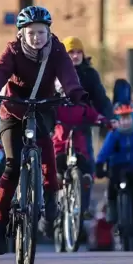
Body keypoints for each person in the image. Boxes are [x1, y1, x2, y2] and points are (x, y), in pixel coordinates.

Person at [0, 5, 89, 255]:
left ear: (48, 32)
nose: (36, 37)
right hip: (13, 112)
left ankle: (49, 206)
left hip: (42, 110)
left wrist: (76, 93)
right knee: (12, 166)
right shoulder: (12, 50)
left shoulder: (57, 50)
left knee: (47, 155)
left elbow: (68, 75)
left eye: (41, 32)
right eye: (31, 33)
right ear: (21, 34)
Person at [95, 80, 133, 228]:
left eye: (128, 118)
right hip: (116, 168)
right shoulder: (114, 134)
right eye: (122, 119)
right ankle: (112, 214)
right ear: (117, 119)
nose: (125, 122)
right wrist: (99, 164)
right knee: (112, 191)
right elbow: (105, 150)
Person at [53, 85, 106, 220]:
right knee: (56, 166)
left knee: (86, 168)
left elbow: (94, 115)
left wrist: (102, 120)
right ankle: (54, 194)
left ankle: (83, 198)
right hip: (60, 145)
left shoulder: (82, 107)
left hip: (78, 147)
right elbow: (48, 116)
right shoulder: (56, 106)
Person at [61, 36, 113, 160]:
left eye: (79, 52)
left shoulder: (90, 74)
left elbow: (100, 98)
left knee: (87, 161)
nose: (75, 56)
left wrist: (108, 117)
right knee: (52, 161)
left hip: (83, 123)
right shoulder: (55, 73)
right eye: (71, 52)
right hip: (59, 125)